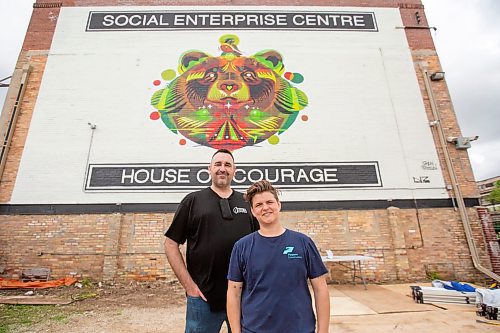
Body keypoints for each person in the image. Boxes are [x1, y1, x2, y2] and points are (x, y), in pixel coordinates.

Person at [164, 149, 257, 333]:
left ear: (235, 171)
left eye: (227, 165)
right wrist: (189, 286)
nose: (222, 169)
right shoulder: (193, 201)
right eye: (218, 164)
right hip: (203, 298)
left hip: (243, 296)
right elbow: (170, 243)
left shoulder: (247, 202)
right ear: (209, 169)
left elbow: (260, 243)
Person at [227, 180, 330, 333]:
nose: (265, 208)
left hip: (300, 329)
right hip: (255, 330)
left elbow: (321, 289)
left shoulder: (303, 242)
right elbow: (233, 293)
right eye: (259, 205)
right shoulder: (242, 247)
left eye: (269, 202)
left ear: (279, 205)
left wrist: (323, 331)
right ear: (253, 211)